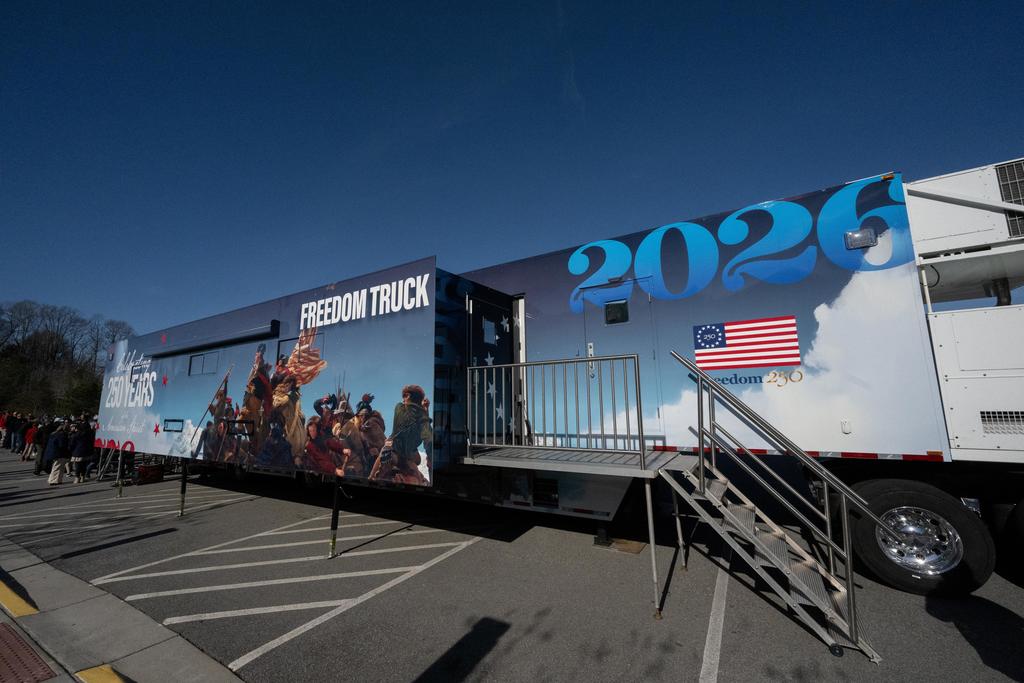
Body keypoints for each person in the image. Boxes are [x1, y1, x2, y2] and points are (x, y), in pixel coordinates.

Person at [370, 385, 431, 485]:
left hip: (396, 453)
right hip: (412, 456)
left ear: (407, 396)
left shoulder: (399, 408)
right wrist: (424, 409)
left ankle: (371, 478)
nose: (402, 400)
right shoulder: (423, 417)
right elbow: (425, 428)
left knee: (385, 450)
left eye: (404, 396)